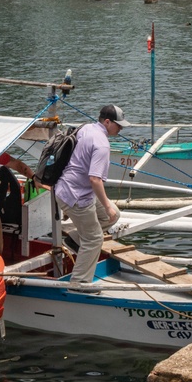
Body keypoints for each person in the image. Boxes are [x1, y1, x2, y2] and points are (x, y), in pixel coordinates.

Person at [54, 104, 128, 290]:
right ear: (107, 122)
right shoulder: (102, 144)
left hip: (70, 188)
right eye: (118, 125)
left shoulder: (87, 128)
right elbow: (95, 179)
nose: (120, 129)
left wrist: (109, 209)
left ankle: (74, 238)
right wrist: (107, 205)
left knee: (114, 215)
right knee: (94, 239)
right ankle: (79, 284)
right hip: (76, 196)